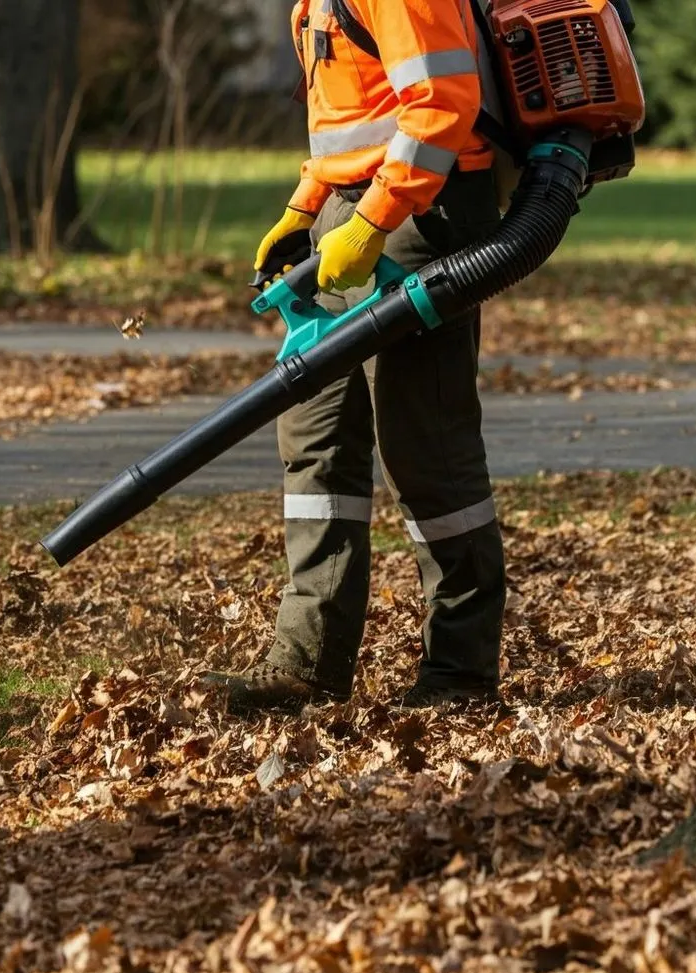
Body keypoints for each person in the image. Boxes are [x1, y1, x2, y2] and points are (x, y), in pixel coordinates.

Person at [208, 0, 506, 713]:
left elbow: (443, 104)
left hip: (420, 216)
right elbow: (356, 120)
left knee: (424, 444)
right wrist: (306, 207)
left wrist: (373, 219)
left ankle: (460, 675)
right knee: (315, 440)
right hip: (352, 213)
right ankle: (306, 665)